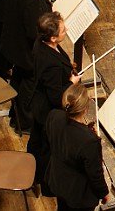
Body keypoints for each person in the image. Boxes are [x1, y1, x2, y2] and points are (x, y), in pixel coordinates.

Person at [0, 0, 52, 132]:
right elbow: (34, 32)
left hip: (12, 39)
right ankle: (23, 122)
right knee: (27, 88)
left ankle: (15, 115)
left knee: (18, 80)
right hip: (25, 50)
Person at [28, 12, 79, 188]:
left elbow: (59, 60)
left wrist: (67, 67)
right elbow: (56, 97)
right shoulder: (50, 64)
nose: (67, 31)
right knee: (45, 147)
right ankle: (41, 178)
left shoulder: (43, 43)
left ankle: (33, 169)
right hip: (45, 110)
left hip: (39, 100)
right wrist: (71, 83)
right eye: (63, 31)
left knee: (37, 141)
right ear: (52, 37)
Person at [46, 84, 109, 211]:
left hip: (58, 179)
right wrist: (104, 193)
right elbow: (95, 173)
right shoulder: (89, 141)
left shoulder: (54, 116)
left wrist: (86, 131)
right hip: (77, 194)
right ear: (85, 109)